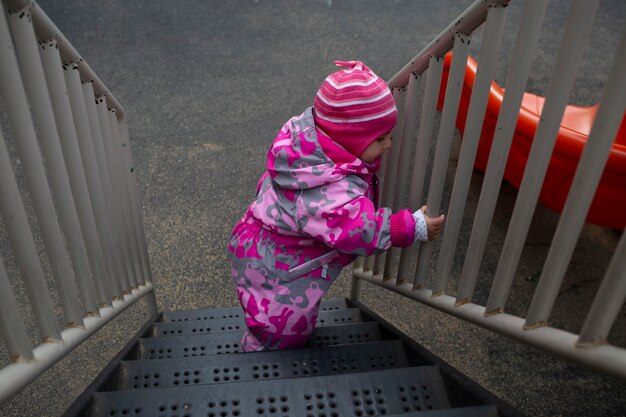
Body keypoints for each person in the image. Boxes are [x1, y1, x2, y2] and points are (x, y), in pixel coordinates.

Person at [227, 60, 445, 352]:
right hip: (277, 265)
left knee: (289, 313)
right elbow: (359, 229)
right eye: (380, 139)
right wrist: (411, 226)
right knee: (279, 327)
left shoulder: (308, 148)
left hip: (269, 244)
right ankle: (259, 358)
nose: (389, 144)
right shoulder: (329, 193)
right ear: (349, 140)